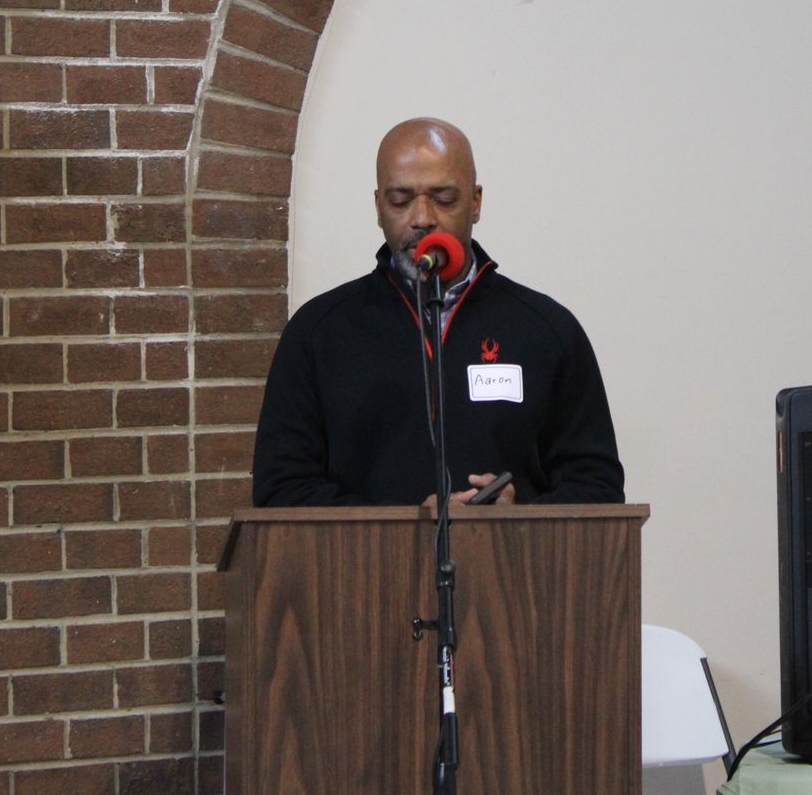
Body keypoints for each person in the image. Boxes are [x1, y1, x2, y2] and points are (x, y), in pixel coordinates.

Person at [253, 117, 625, 506]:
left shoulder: (547, 329)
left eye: (444, 198)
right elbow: (281, 490)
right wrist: (409, 525)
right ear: (378, 206)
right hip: (368, 567)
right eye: (400, 200)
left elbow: (596, 486)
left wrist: (518, 521)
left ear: (476, 202)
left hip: (512, 565)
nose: (422, 218)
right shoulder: (318, 333)